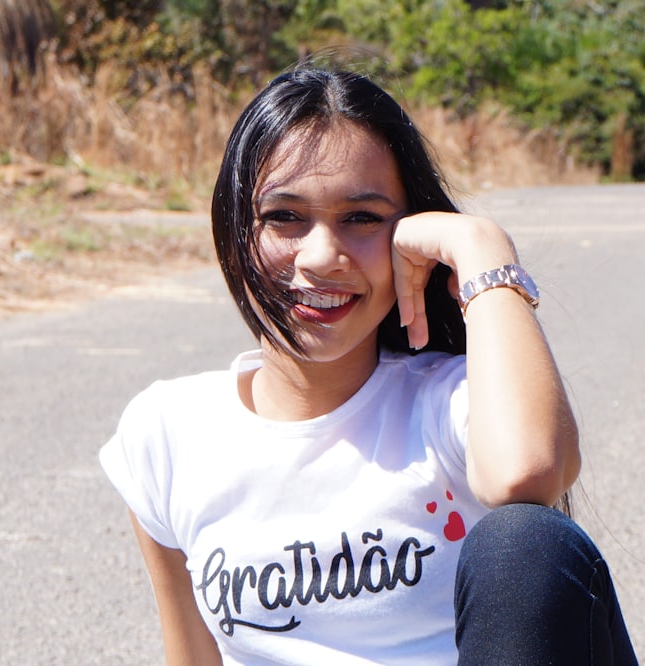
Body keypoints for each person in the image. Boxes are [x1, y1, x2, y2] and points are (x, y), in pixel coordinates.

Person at [99, 64, 639, 665]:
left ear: (409, 236)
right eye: (284, 217)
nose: (322, 256)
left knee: (528, 544)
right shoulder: (167, 433)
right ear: (233, 231)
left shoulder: (454, 406)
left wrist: (483, 248)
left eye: (361, 218)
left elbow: (527, 474)